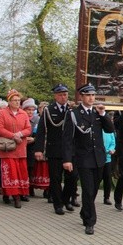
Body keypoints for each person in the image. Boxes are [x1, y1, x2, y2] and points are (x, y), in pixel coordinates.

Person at [62, 83, 114, 235]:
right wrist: (67, 159)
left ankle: (85, 212)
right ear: (82, 97)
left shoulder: (98, 113)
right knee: (88, 189)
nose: (91, 98)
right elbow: (67, 139)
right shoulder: (74, 114)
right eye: (88, 95)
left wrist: (104, 114)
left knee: (93, 190)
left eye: (93, 95)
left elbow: (110, 129)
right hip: (83, 158)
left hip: (99, 158)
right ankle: (90, 222)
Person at [34, 84, 79, 215]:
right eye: (60, 95)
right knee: (55, 179)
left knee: (73, 177)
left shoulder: (72, 110)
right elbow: (41, 131)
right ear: (55, 96)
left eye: (65, 94)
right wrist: (38, 149)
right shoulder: (49, 110)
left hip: (70, 150)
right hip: (55, 149)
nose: (63, 97)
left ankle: (65, 200)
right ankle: (58, 204)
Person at [0, 90, 31, 209]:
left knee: (20, 172)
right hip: (8, 148)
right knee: (10, 172)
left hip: (20, 148)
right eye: (14, 100)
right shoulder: (2, 113)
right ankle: (13, 195)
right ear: (9, 102)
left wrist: (20, 134)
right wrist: (12, 135)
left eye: (18, 100)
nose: (17, 102)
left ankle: (20, 193)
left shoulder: (23, 113)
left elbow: (28, 129)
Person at [22, 98, 48, 200]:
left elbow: (41, 134)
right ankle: (26, 189)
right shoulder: (21, 118)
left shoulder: (37, 120)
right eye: (28, 109)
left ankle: (30, 188)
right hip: (22, 146)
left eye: (32, 110)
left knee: (31, 168)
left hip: (33, 146)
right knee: (24, 168)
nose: (30, 112)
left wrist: (34, 139)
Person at [101, 126, 116, 205]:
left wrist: (111, 149)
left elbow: (113, 143)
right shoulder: (99, 129)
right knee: (96, 178)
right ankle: (91, 195)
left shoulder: (110, 131)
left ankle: (106, 197)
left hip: (108, 158)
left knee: (107, 178)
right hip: (98, 158)